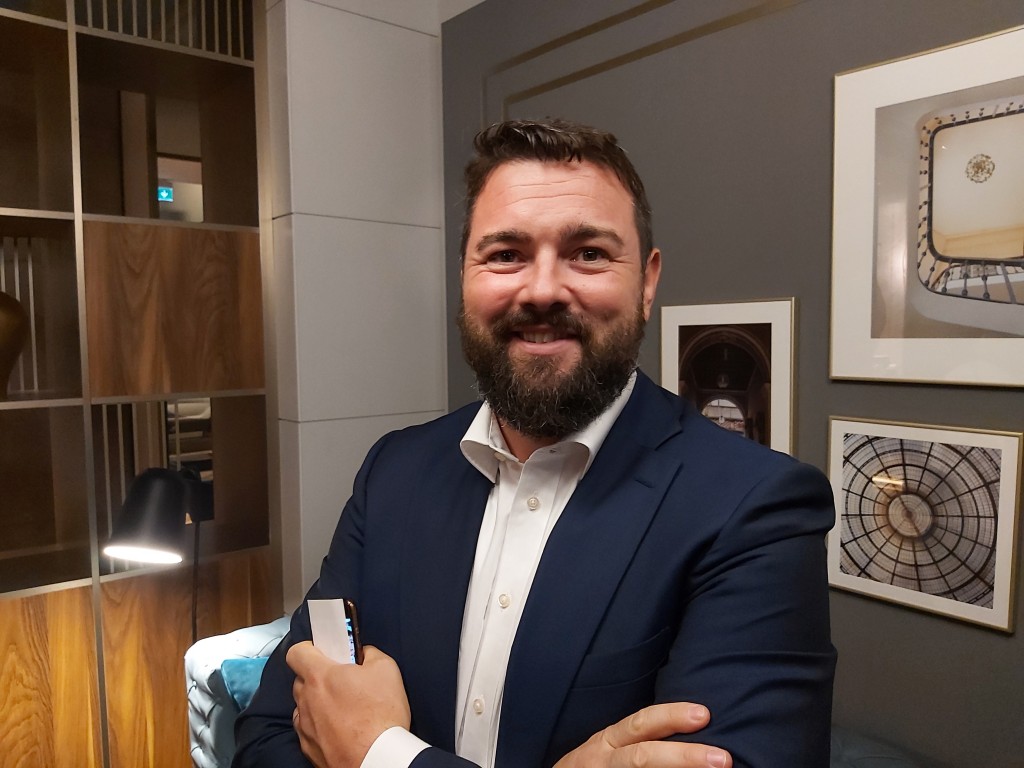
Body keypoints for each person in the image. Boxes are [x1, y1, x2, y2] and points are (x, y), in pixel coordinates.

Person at [233, 118, 836, 768]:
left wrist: (378, 752)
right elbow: (267, 739)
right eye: (505, 255)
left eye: (589, 253)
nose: (543, 290)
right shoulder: (393, 472)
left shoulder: (755, 509)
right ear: (464, 276)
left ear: (647, 282)